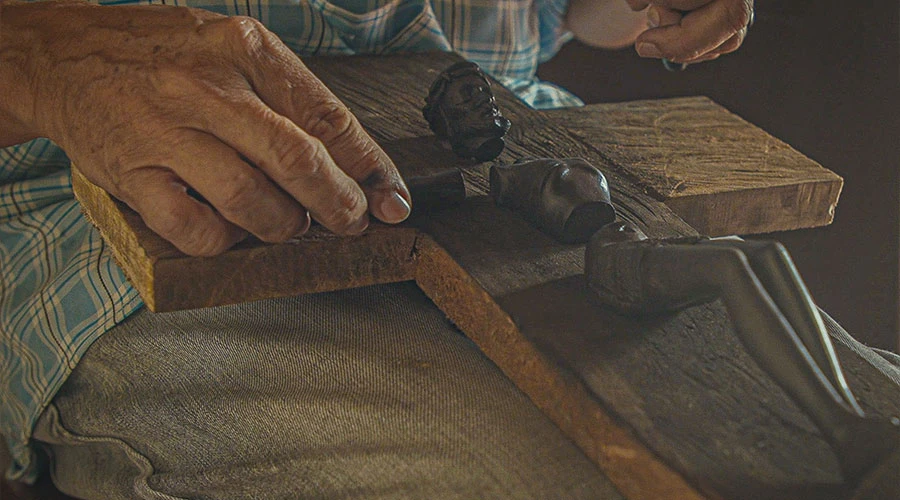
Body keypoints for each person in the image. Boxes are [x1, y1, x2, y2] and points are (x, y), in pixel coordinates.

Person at [0, 0, 757, 497]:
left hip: (517, 145)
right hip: (117, 204)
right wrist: (36, 57)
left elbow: (556, 16)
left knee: (774, 450)